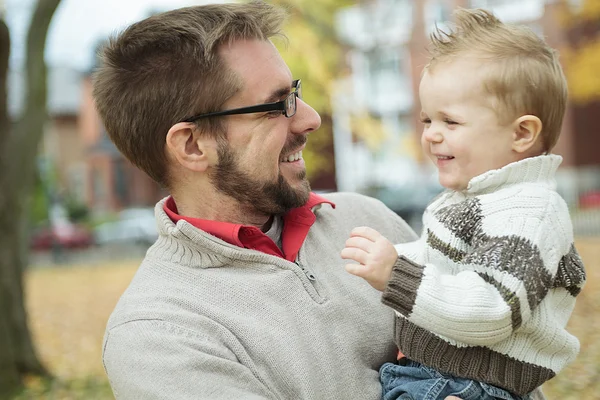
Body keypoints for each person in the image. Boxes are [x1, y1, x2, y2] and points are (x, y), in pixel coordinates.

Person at [93, 2, 420, 399]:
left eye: (294, 92)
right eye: (277, 105)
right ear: (193, 145)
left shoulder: (367, 218)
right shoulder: (159, 335)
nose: (310, 119)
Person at [341, 8, 586, 400]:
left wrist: (395, 274)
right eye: (426, 121)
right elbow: (440, 264)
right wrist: (387, 259)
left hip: (467, 386)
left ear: (521, 133)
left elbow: (492, 309)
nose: (432, 136)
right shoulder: (473, 198)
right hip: (435, 374)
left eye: (450, 122)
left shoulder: (528, 211)